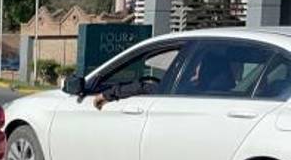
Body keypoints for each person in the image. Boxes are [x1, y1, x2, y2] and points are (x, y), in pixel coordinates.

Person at [94, 50, 235, 109]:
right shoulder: (230, 96)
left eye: (199, 66)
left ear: (207, 71)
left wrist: (107, 95)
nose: (196, 70)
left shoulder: (184, 92)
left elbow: (144, 87)